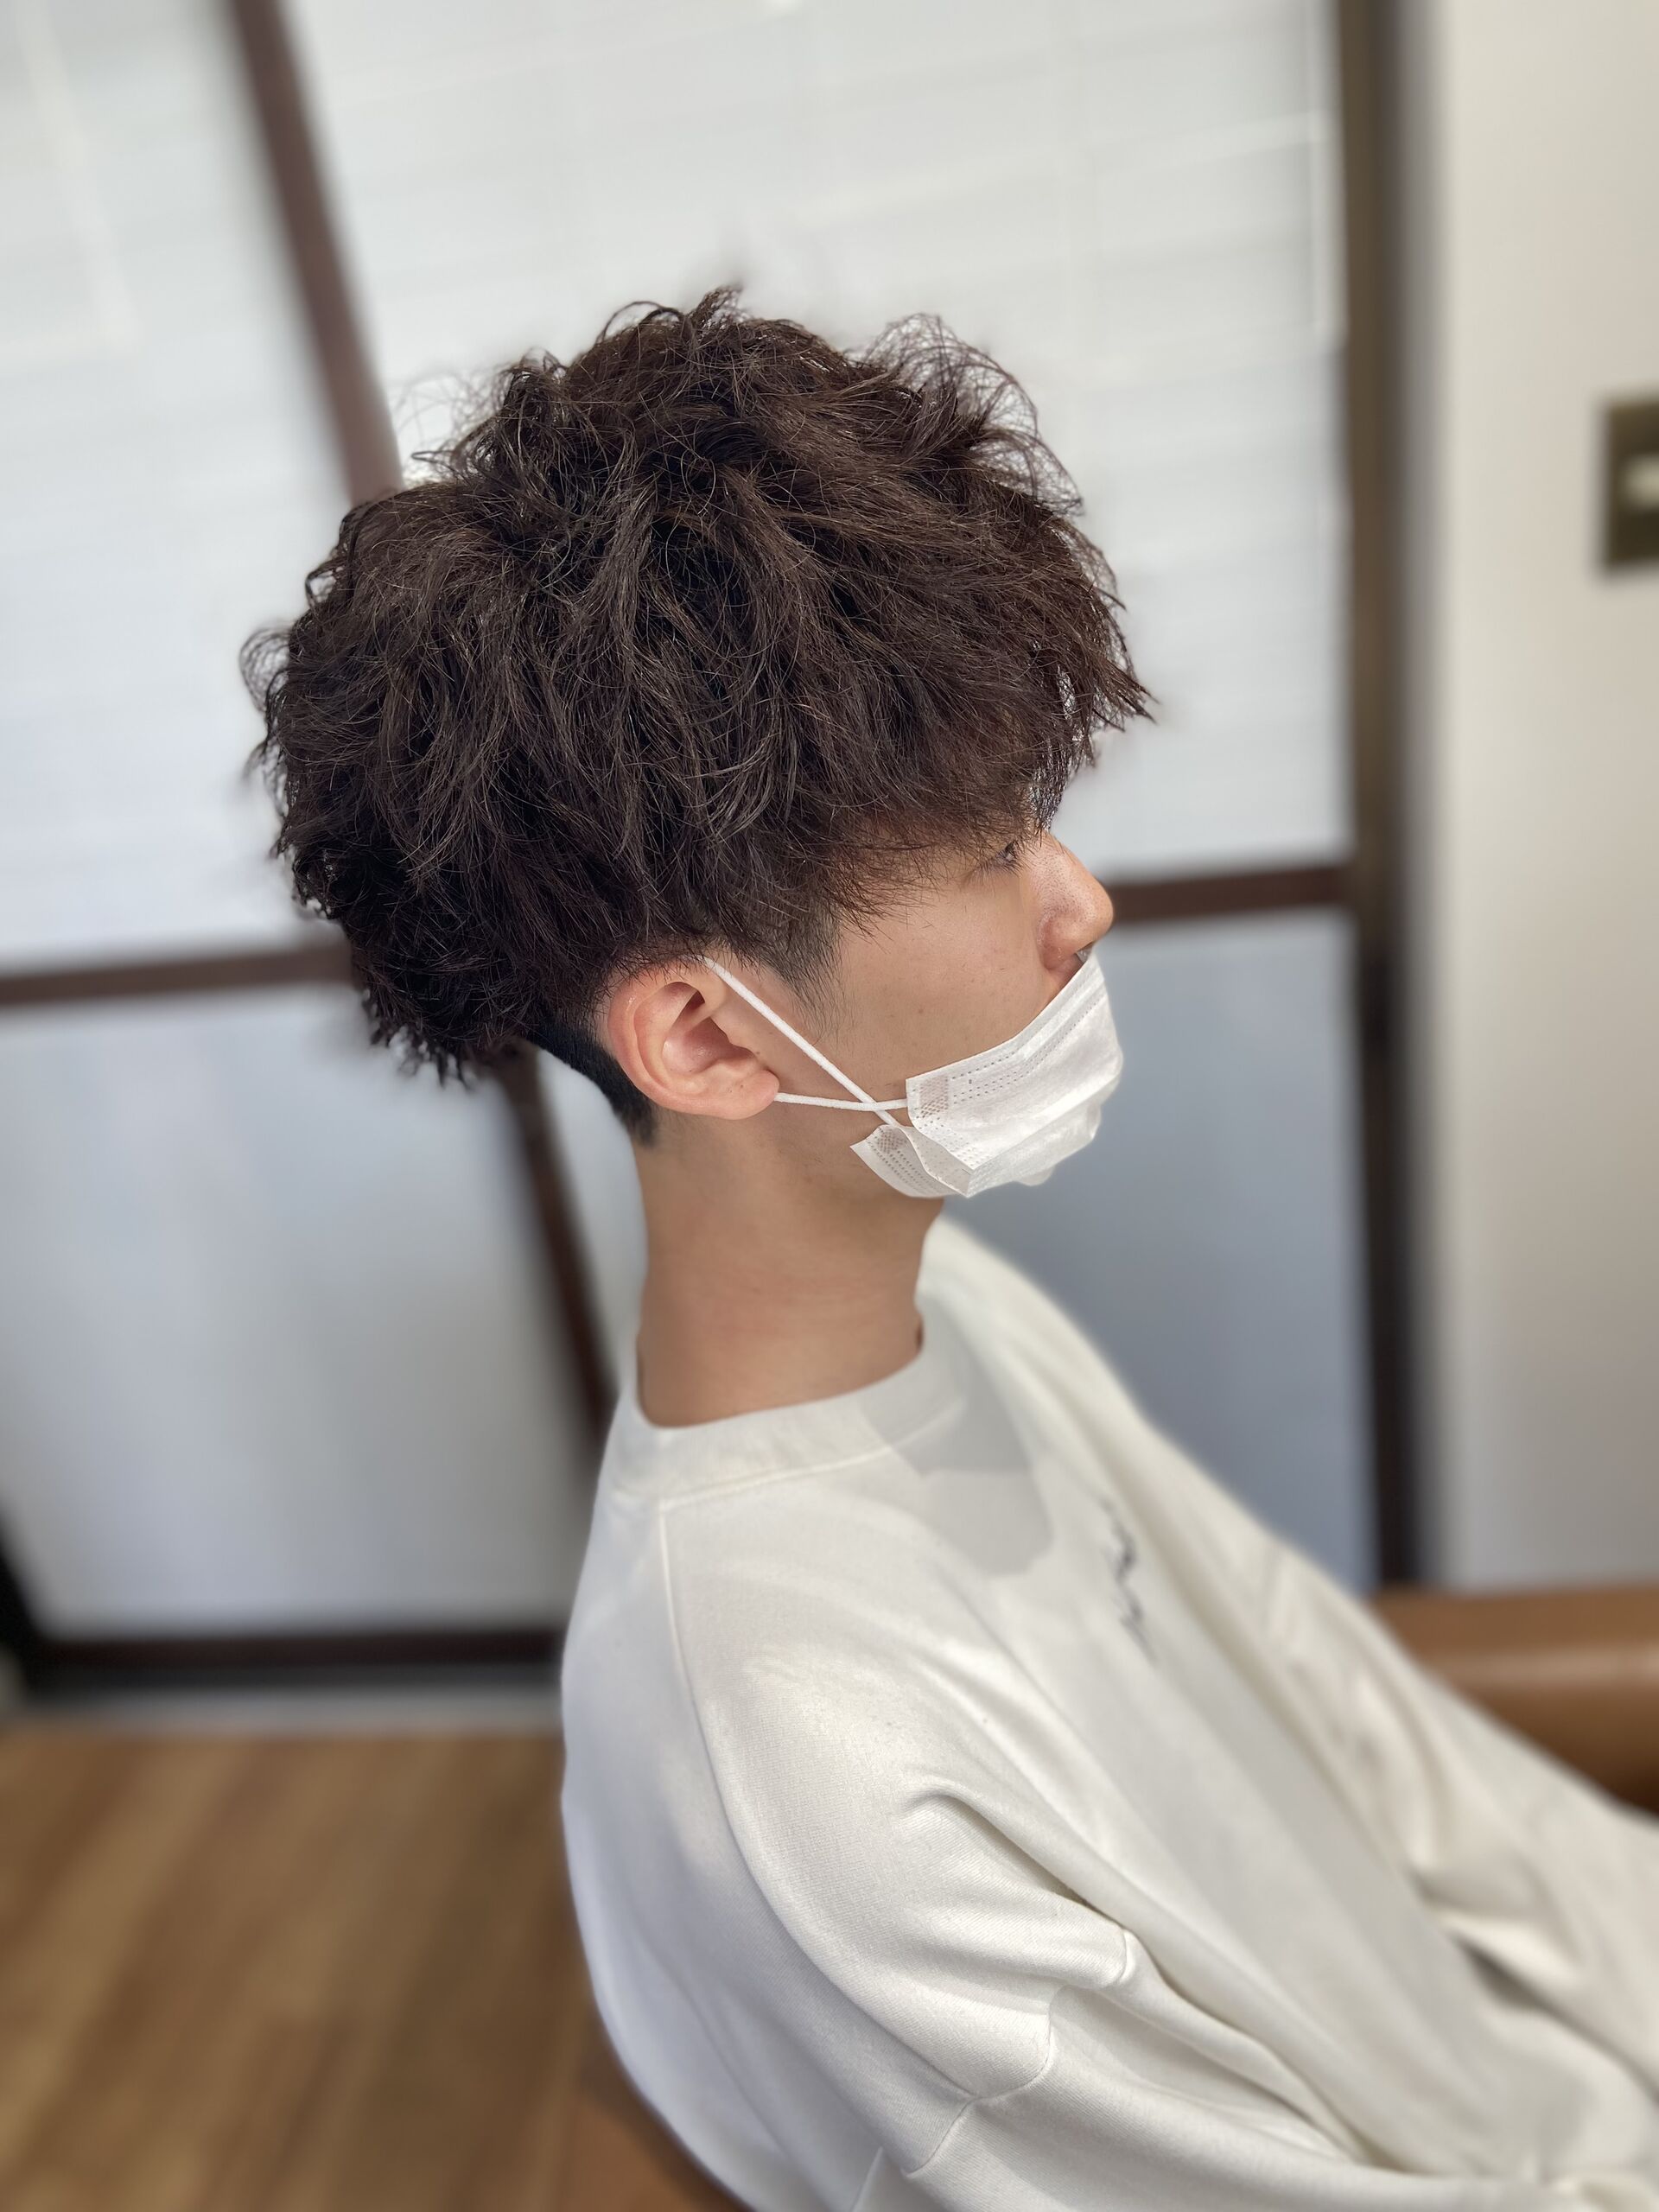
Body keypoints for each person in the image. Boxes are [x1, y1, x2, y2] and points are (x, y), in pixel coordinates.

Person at [245, 290, 1659, 2210]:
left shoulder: (943, 1315)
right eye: (994, 847)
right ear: (709, 1037)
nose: (1081, 899)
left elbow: (1350, 1721)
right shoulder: (823, 1793)